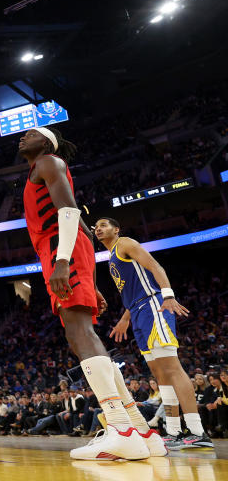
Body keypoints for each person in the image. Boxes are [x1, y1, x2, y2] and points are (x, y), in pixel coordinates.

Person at [17, 127, 157, 460]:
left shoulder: (48, 163)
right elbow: (82, 229)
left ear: (47, 142)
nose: (22, 137)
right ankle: (141, 431)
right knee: (83, 333)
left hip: (58, 248)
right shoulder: (43, 168)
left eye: (30, 133)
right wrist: (89, 279)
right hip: (66, 248)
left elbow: (70, 214)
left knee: (79, 333)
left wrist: (63, 260)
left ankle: (121, 429)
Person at [97, 217, 214, 449]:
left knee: (172, 368)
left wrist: (168, 295)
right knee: (160, 374)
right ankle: (174, 431)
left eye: (104, 225)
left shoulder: (125, 243)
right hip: (139, 310)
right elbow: (132, 292)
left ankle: (198, 432)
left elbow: (155, 267)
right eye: (97, 226)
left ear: (116, 229)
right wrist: (124, 319)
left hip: (154, 305)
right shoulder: (111, 257)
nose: (99, 229)